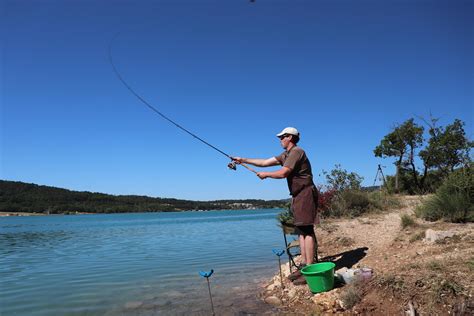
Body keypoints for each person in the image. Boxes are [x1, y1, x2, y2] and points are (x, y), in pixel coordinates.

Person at [232, 127, 319, 285]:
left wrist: (266, 175)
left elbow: (283, 173)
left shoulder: (297, 152)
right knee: (301, 231)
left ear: (290, 137)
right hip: (298, 195)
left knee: (307, 231)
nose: (280, 140)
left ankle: (310, 269)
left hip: (305, 193)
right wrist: (243, 160)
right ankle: (304, 266)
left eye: (282, 137)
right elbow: (265, 162)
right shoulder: (285, 154)